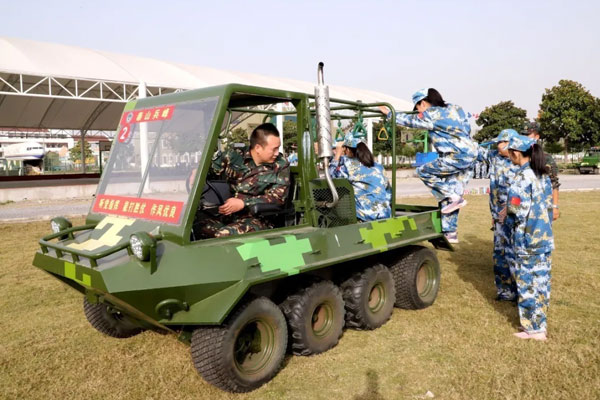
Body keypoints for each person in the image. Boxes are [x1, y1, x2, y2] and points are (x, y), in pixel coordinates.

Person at [381, 88, 478, 243]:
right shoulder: (455, 108)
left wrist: (389, 113)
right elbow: (466, 128)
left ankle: (452, 198)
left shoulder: (431, 114)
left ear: (423, 103)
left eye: (418, 107)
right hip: (471, 152)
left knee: (424, 171)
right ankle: (450, 232)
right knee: (453, 193)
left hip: (456, 154)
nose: (419, 111)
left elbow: (411, 121)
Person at [197, 123, 290, 238]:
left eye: (278, 148)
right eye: (274, 149)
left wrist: (243, 203)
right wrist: (196, 174)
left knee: (222, 235)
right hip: (228, 215)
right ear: (258, 148)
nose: (277, 153)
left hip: (259, 219)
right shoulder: (234, 156)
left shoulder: (280, 165)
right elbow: (210, 169)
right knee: (195, 226)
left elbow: (278, 199)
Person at [506, 134, 554, 341]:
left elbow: (514, 209)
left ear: (517, 153)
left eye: (510, 154)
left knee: (526, 283)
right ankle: (539, 325)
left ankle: (532, 329)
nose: (509, 157)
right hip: (543, 236)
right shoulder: (542, 174)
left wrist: (506, 219)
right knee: (541, 282)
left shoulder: (521, 177)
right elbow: (550, 206)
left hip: (526, 238)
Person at [477, 128, 520, 301]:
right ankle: (505, 291)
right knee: (500, 254)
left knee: (516, 254)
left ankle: (520, 292)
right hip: (498, 216)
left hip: (515, 215)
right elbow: (475, 151)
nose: (498, 145)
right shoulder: (494, 157)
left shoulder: (521, 162)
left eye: (502, 142)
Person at [329, 132, 391, 221]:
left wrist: (337, 155)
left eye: (345, 150)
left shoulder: (348, 167)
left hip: (365, 216)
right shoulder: (378, 166)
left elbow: (331, 179)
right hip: (385, 214)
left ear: (348, 150)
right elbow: (388, 191)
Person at [524, 122, 560, 221]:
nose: (525, 138)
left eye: (528, 135)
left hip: (542, 208)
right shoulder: (518, 156)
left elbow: (554, 184)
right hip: (523, 207)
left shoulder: (546, 158)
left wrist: (555, 206)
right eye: (523, 135)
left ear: (537, 137)